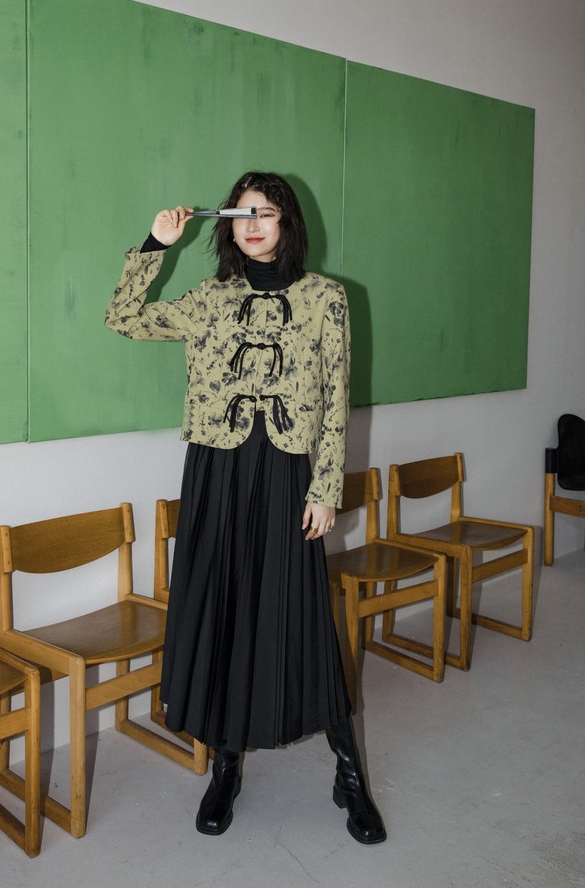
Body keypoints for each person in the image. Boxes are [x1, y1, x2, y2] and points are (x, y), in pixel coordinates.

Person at [105, 171, 385, 845]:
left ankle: (350, 776)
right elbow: (125, 318)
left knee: (304, 618)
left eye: (266, 212)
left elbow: (337, 396)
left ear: (288, 222)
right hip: (218, 471)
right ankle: (225, 768)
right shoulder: (212, 298)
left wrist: (326, 488)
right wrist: (155, 243)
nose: (253, 224)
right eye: (241, 213)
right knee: (224, 608)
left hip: (288, 473)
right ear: (227, 226)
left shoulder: (326, 298)